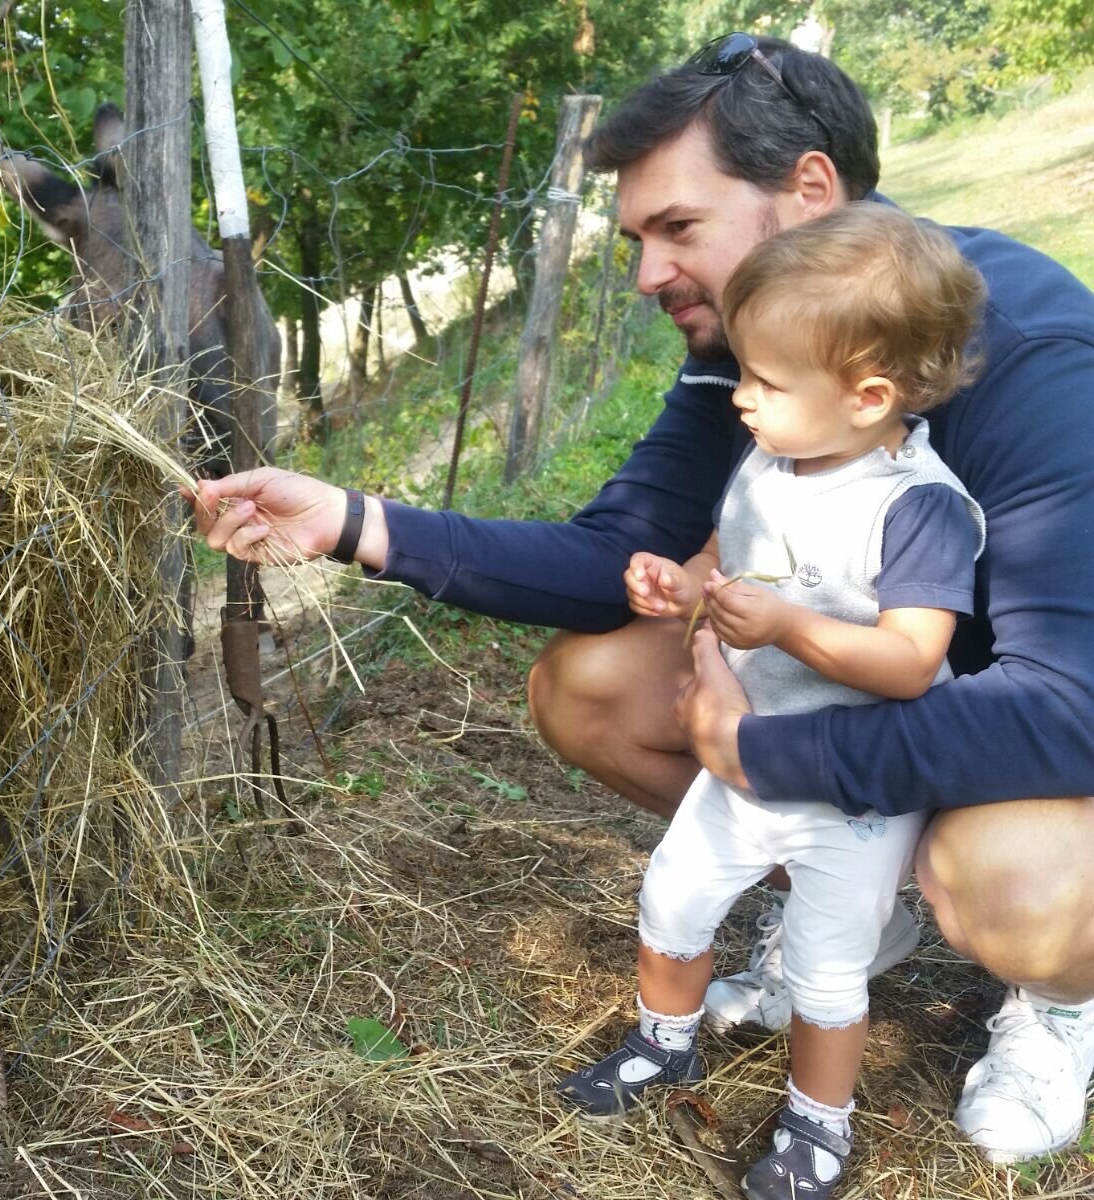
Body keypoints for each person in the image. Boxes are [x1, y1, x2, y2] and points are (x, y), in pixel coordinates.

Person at [186, 33, 1094, 1163]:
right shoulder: (762, 348)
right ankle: (862, 911)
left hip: (1028, 731)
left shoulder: (1031, 357)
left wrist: (776, 762)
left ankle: (1058, 1001)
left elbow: (1068, 709)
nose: (647, 273)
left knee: (1009, 882)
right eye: (636, 239)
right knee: (595, 688)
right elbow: (616, 548)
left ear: (807, 191)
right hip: (861, 703)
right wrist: (354, 523)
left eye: (677, 228)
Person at [551, 202, 985, 1200]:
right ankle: (665, 1043)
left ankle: (815, 1127)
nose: (740, 398)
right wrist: (684, 582)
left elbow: (911, 661)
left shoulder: (912, 507)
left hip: (852, 780)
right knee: (672, 897)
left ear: (869, 394)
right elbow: (728, 552)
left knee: (829, 970)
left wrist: (786, 630)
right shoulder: (777, 455)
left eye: (764, 380)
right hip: (745, 756)